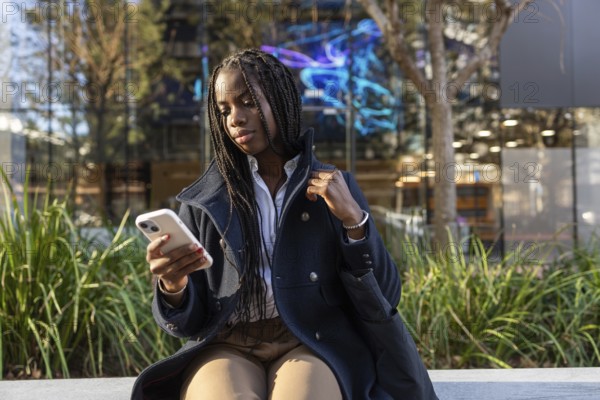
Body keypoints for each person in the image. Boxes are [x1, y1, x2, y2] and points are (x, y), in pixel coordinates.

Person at [131, 48, 437, 400]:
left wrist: (355, 221)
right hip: (227, 343)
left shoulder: (333, 186)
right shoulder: (203, 201)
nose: (235, 118)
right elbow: (188, 323)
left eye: (248, 102)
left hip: (309, 340)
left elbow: (385, 296)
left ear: (279, 99)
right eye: (225, 110)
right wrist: (172, 285)